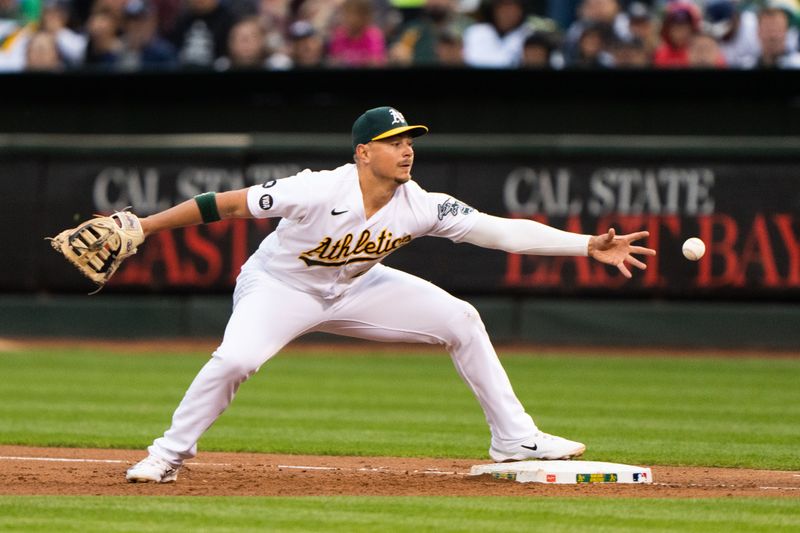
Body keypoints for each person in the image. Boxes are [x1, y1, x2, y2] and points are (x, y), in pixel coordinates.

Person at [124, 106, 656, 483]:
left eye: (409, 142)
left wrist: (586, 245)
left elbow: (502, 232)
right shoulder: (316, 188)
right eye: (395, 142)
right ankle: (167, 454)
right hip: (280, 287)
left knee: (461, 320)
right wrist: (144, 228)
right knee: (237, 358)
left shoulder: (422, 204)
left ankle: (514, 438)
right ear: (363, 153)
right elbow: (224, 204)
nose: (407, 151)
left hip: (356, 286)